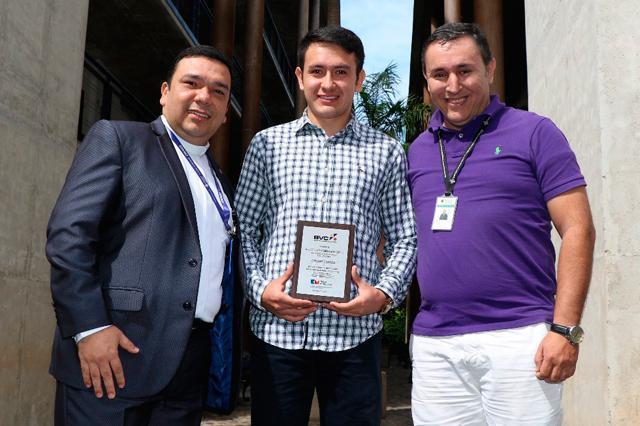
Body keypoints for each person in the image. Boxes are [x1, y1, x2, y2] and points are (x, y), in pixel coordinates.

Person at [407, 22, 595, 425]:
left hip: (520, 338)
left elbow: (579, 229)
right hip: (436, 345)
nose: (453, 85)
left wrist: (565, 330)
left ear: (489, 69)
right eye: (440, 74)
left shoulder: (535, 133)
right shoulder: (418, 151)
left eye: (465, 70)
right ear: (427, 80)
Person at [46, 45, 243, 425]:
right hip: (113, 358)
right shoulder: (119, 139)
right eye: (192, 84)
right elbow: (69, 238)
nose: (205, 97)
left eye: (219, 91)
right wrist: (89, 328)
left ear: (225, 112)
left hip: (186, 370)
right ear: (165, 92)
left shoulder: (220, 181)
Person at [235, 26, 416, 426]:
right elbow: (243, 231)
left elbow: (406, 235)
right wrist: (261, 290)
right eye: (317, 71)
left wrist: (384, 294)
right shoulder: (266, 145)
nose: (328, 83)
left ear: (359, 79)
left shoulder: (385, 151)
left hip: (354, 335)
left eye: (341, 72)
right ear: (300, 77)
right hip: (278, 334)